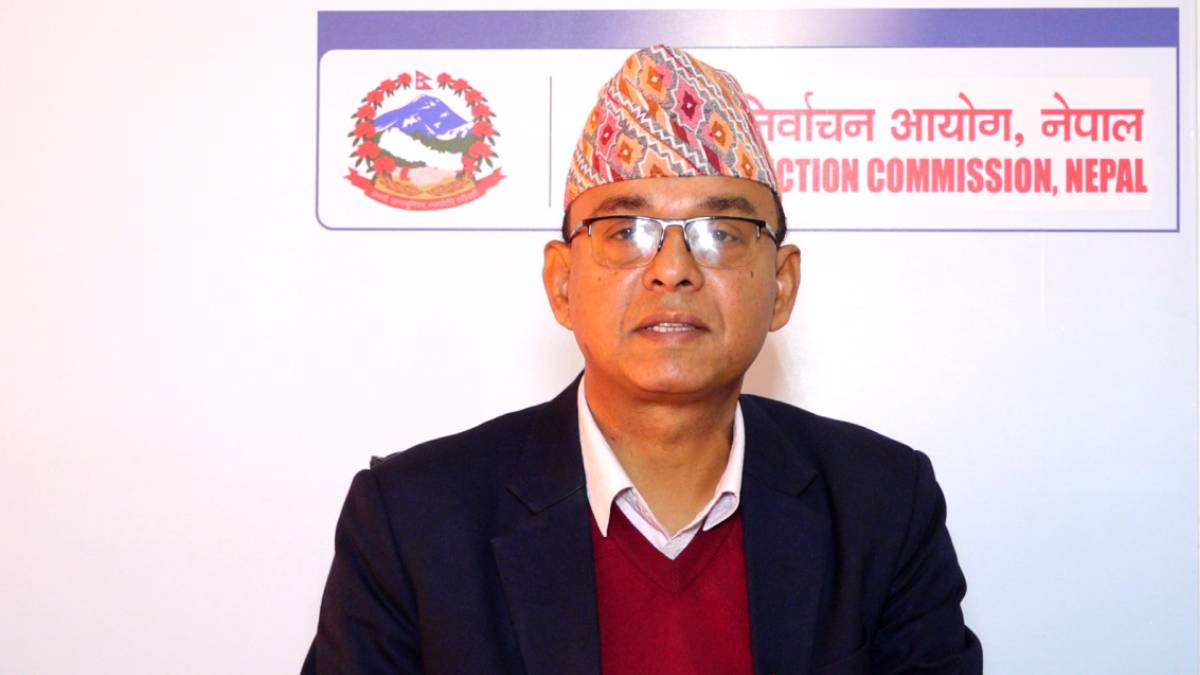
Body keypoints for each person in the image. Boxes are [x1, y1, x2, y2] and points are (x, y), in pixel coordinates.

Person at [303, 45, 982, 674]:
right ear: (562, 282)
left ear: (782, 285)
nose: (673, 269)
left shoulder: (884, 507)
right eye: (626, 230)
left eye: (722, 231)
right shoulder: (412, 521)